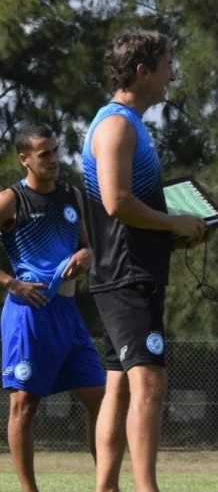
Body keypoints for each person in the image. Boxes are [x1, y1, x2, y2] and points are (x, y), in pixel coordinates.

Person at [82, 30, 208, 492]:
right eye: (167, 63)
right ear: (143, 70)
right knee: (150, 383)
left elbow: (131, 208)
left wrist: (174, 231)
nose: (172, 73)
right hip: (127, 277)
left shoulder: (126, 123)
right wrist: (173, 223)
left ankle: (106, 487)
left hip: (131, 274)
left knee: (117, 386)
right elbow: (116, 202)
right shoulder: (116, 125)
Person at [0, 123, 106, 492]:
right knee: (25, 406)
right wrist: (11, 282)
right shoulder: (11, 200)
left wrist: (86, 256)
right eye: (44, 153)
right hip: (29, 316)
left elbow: (89, 248)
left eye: (56, 151)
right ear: (24, 158)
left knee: (101, 399)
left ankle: (105, 485)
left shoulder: (72, 195)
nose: (54, 159)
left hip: (68, 314)